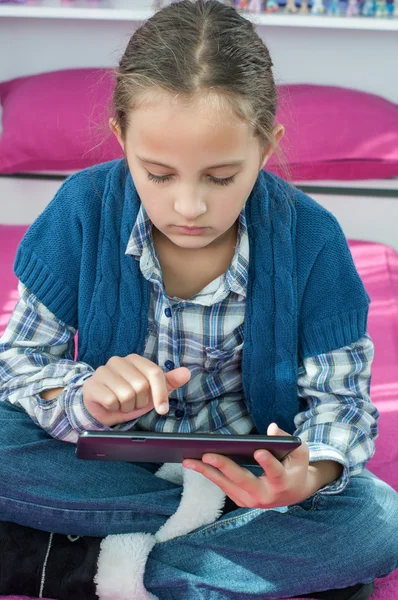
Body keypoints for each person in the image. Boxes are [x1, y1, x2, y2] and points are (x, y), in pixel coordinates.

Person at [0, 1, 397, 598]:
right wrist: (86, 399)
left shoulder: (312, 241)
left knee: (377, 522)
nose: (189, 207)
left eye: (220, 177)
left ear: (266, 149)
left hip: (247, 476)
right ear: (121, 140)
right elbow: (21, 368)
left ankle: (79, 568)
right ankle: (235, 551)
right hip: (105, 467)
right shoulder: (80, 211)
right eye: (158, 174)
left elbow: (341, 403)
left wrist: (306, 474)